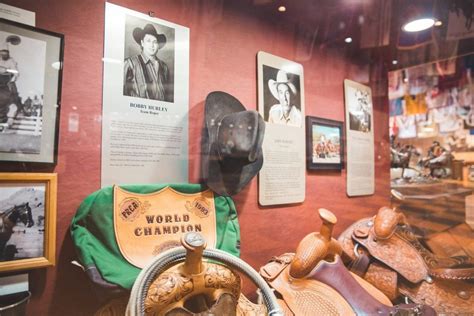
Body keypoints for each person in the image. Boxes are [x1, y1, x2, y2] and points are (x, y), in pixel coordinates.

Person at [123, 23, 171, 102]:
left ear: (158, 45)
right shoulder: (129, 63)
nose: (152, 45)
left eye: (155, 42)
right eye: (148, 41)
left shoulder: (164, 67)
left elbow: (168, 96)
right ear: (142, 43)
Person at [0, 44, 19, 127]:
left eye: (5, 54)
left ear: (8, 54)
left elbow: (16, 73)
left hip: (7, 79)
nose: (3, 55)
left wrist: (7, 70)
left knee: (14, 96)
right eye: (2, 54)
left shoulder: (11, 61)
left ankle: (10, 117)